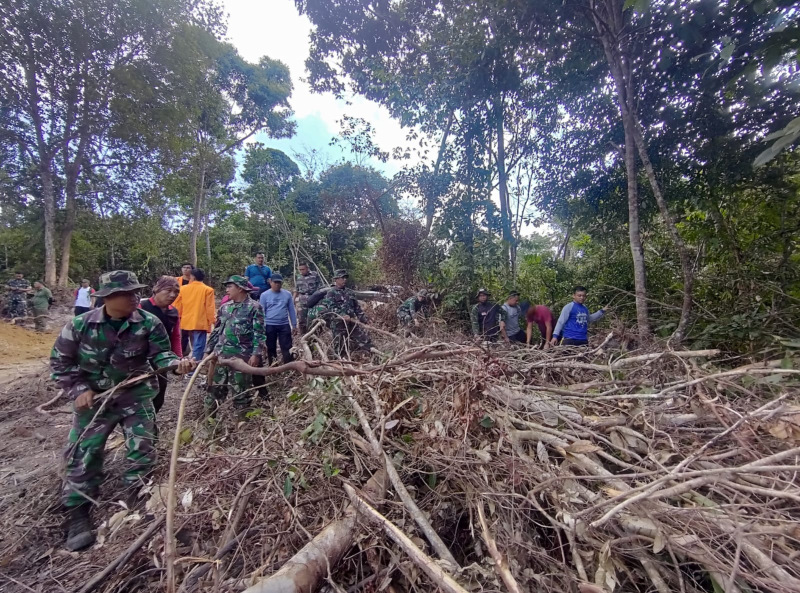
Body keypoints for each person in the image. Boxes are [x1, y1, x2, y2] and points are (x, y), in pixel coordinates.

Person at [51, 270, 194, 551]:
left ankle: (138, 496)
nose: (134, 297)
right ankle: (77, 511)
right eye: (127, 293)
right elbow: (60, 364)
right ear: (108, 297)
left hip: (136, 395)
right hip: (96, 401)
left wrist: (177, 364)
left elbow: (160, 354)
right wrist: (79, 390)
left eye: (135, 291)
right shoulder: (80, 325)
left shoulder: (149, 322)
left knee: (143, 447)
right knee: (84, 452)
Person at [205, 276, 266, 419]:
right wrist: (208, 351)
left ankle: (243, 425)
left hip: (241, 358)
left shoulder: (254, 307)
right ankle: (209, 426)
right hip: (220, 357)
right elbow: (216, 331)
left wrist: (256, 354)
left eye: (229, 286)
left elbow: (259, 333)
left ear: (240, 288)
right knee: (212, 393)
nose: (226, 289)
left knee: (241, 394)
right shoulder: (225, 307)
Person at [140, 276, 182, 413]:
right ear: (156, 289)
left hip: (160, 359)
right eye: (168, 290)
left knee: (159, 394)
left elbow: (175, 337)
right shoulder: (141, 307)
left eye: (176, 292)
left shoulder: (173, 312)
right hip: (139, 359)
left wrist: (178, 360)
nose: (172, 295)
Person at [319, 270, 373, 358]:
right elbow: (331, 308)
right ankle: (339, 365)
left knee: (365, 341)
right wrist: (342, 315)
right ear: (336, 279)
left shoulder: (350, 292)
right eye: (342, 278)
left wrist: (364, 319)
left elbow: (357, 308)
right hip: (338, 325)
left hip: (352, 323)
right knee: (340, 349)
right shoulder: (331, 293)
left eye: (345, 278)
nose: (344, 280)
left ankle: (375, 356)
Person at [173, 268, 216, 362]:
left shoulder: (183, 289)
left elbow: (177, 305)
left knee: (188, 341)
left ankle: (183, 363)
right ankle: (193, 368)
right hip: (200, 321)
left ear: (192, 277)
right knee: (199, 345)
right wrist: (213, 321)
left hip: (186, 320)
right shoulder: (208, 290)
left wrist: (177, 318)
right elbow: (210, 308)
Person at [260, 273, 297, 365]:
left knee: (287, 347)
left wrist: (294, 325)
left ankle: (288, 367)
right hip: (269, 325)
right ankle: (274, 367)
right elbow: (261, 312)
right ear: (270, 282)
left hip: (284, 324)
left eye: (279, 282)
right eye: (275, 282)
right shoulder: (264, 295)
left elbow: (291, 310)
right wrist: (261, 327)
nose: (277, 284)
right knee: (271, 347)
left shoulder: (287, 294)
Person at [294, 262, 322, 333]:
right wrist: (293, 300)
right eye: (300, 270)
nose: (301, 271)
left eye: (303, 269)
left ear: (307, 268)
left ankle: (315, 333)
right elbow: (296, 290)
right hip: (302, 300)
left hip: (313, 299)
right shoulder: (298, 277)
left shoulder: (314, 275)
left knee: (313, 318)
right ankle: (303, 335)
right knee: (301, 319)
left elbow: (320, 287)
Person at [175, 263, 194, 353]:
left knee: (188, 333)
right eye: (184, 267)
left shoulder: (194, 282)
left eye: (188, 268)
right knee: (178, 333)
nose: (186, 269)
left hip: (189, 310)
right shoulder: (176, 280)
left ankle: (186, 352)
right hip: (177, 309)